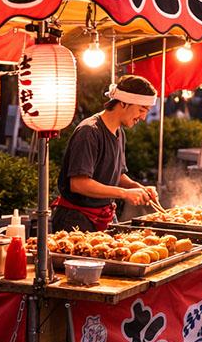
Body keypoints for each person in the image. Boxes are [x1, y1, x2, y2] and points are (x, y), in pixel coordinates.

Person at [54, 76, 159, 232]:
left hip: (104, 215)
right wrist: (124, 193)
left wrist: (136, 187)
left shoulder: (119, 132)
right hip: (76, 218)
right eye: (141, 110)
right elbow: (78, 184)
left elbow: (116, 174)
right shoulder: (89, 131)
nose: (143, 117)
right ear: (123, 103)